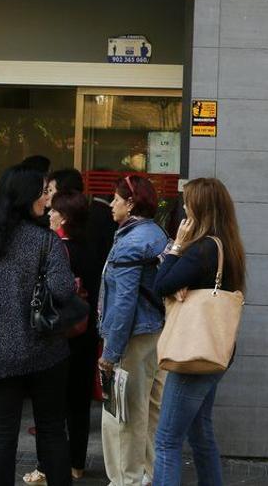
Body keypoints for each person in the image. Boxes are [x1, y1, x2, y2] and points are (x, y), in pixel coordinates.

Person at [0, 165, 80, 486]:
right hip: (45, 351)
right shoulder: (46, 241)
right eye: (43, 192)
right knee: (53, 431)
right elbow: (62, 290)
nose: (48, 199)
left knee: (2, 435)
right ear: (27, 196)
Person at [151, 178, 246, 486]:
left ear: (199, 209)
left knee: (166, 440)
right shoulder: (228, 247)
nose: (183, 207)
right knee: (200, 431)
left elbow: (160, 284)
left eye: (188, 202)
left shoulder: (201, 249)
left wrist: (177, 246)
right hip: (216, 351)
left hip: (192, 352)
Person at [23, 188, 97, 486]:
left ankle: (45, 467)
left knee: (51, 407)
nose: (49, 213)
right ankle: (77, 464)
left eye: (53, 210)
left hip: (60, 333)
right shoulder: (91, 245)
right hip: (86, 329)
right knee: (79, 404)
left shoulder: (57, 247)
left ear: (63, 215)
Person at [99, 175, 169, 486]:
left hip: (132, 338)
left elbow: (124, 302)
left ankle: (125, 480)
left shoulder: (130, 243)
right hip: (157, 333)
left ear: (130, 203)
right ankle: (150, 475)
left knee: (123, 413)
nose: (111, 205)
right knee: (151, 410)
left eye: (116, 199)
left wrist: (110, 353)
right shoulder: (157, 233)